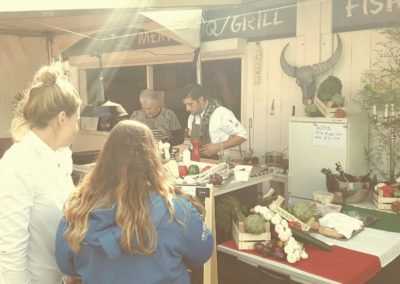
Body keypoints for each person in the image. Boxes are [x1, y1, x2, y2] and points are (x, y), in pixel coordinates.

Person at [55, 120, 214, 284]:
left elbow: (66, 265)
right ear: (152, 160)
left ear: (105, 159)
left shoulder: (77, 210)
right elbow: (202, 253)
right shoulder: (178, 211)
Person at [0, 63, 81, 284]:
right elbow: (9, 253)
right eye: (77, 121)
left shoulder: (62, 155)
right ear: (62, 118)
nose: (77, 129)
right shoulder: (17, 165)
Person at [182, 83, 247, 158]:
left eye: (190, 104)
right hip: (198, 162)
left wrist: (218, 147)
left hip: (218, 163)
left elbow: (243, 135)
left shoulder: (221, 113)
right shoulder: (192, 117)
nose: (187, 109)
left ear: (201, 100)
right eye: (185, 105)